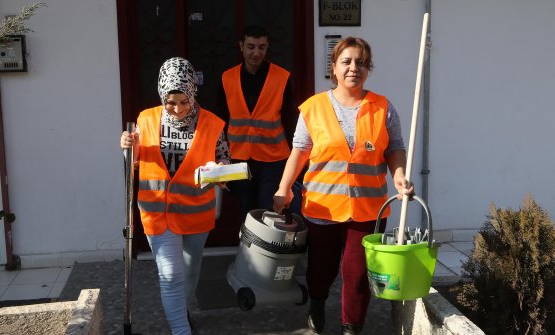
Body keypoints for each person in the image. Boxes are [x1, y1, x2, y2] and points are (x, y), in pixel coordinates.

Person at [272, 37, 414, 335]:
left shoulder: (383, 107)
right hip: (322, 208)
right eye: (347, 61)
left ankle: (352, 327)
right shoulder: (313, 108)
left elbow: (395, 148)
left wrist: (399, 175)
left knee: (357, 274)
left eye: (361, 63)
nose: (354, 68)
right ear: (333, 68)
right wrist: (283, 189)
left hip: (367, 209)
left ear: (368, 69)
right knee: (321, 270)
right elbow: (299, 151)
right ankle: (318, 302)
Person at [120, 57, 230, 335]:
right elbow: (133, 161)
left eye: (184, 101)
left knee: (190, 272)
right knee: (170, 275)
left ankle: (180, 311)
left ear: (193, 93)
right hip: (157, 212)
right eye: (171, 102)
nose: (178, 109)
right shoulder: (145, 120)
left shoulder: (213, 124)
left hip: (196, 213)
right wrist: (126, 147)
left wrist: (220, 171)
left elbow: (225, 163)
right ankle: (181, 329)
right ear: (161, 95)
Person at [215, 25, 298, 216]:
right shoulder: (227, 78)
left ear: (267, 48)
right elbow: (219, 119)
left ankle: (266, 247)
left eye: (261, 47)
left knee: (269, 210)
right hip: (238, 157)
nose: (256, 52)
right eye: (251, 47)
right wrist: (218, 156)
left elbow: (290, 119)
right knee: (245, 209)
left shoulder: (282, 77)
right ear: (241, 47)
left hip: (274, 159)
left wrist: (296, 159)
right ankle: (248, 246)